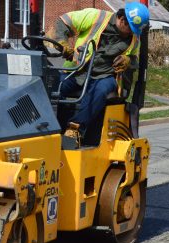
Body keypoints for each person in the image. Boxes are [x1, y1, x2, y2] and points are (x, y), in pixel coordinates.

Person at [54, 2, 150, 144]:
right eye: (130, 28)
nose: (132, 33)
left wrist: (128, 60)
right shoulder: (95, 17)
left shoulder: (134, 39)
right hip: (78, 70)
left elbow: (135, 60)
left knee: (101, 90)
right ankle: (52, 128)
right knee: (55, 87)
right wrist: (62, 42)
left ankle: (75, 129)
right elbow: (62, 22)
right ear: (122, 19)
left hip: (106, 76)